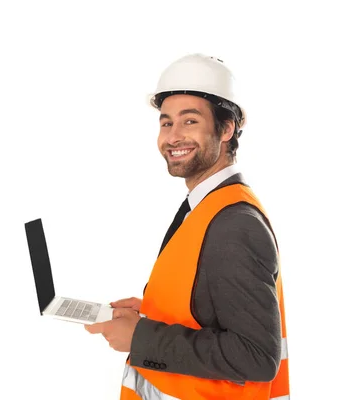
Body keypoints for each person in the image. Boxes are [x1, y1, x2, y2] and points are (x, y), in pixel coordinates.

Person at [85, 54, 290, 400]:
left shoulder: (235, 224)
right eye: (166, 123)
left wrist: (140, 337)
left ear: (226, 130)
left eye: (189, 121)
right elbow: (208, 303)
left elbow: (257, 356)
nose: (173, 137)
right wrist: (151, 311)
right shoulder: (207, 206)